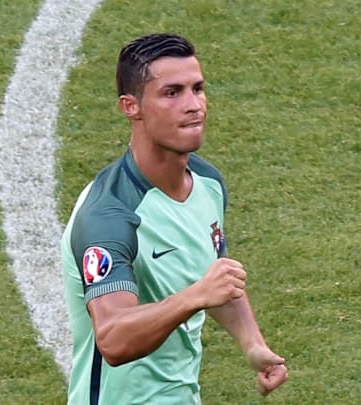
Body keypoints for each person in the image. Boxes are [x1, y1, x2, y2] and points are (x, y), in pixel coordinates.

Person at [60, 33, 289, 404]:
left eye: (197, 89)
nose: (193, 105)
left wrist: (252, 345)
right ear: (130, 106)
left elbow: (215, 278)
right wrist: (194, 297)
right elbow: (114, 339)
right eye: (172, 93)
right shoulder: (109, 216)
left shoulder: (207, 184)